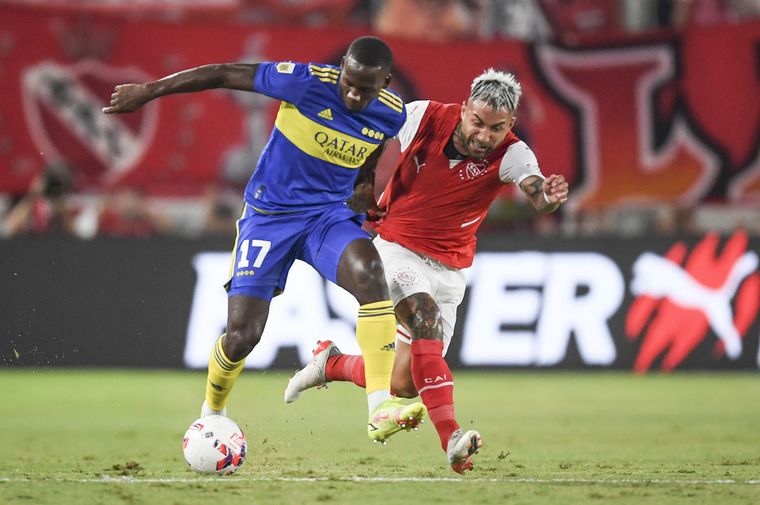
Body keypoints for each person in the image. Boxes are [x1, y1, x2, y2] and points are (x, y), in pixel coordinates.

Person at [103, 36, 426, 444]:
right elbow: (223, 73)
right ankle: (212, 412)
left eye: (366, 89)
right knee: (243, 335)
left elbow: (374, 144)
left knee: (370, 272)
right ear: (342, 67)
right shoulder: (305, 82)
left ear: (386, 83)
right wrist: (149, 91)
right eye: (349, 83)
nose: (354, 95)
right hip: (270, 217)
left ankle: (379, 406)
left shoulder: (392, 112)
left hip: (326, 217)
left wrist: (363, 183)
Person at [284, 68, 569, 472]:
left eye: (496, 128)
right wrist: (363, 185)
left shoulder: (512, 153)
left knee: (404, 382)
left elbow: (535, 190)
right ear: (464, 108)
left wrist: (549, 197)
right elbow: (372, 133)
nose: (484, 136)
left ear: (510, 124)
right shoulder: (424, 116)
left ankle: (330, 363)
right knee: (425, 317)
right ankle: (452, 437)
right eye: (478, 122)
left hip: (450, 269)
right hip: (396, 248)